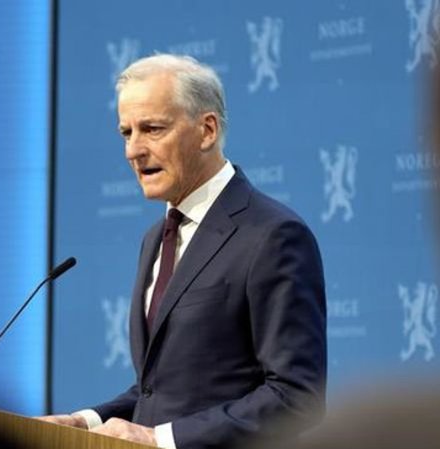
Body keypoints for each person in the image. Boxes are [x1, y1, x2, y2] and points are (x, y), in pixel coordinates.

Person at [40, 54, 327, 449]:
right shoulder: (155, 239)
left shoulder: (272, 235)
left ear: (206, 130)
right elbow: (160, 392)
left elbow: (295, 396)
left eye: (152, 129)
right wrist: (86, 421)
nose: (133, 150)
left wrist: (160, 439)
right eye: (126, 133)